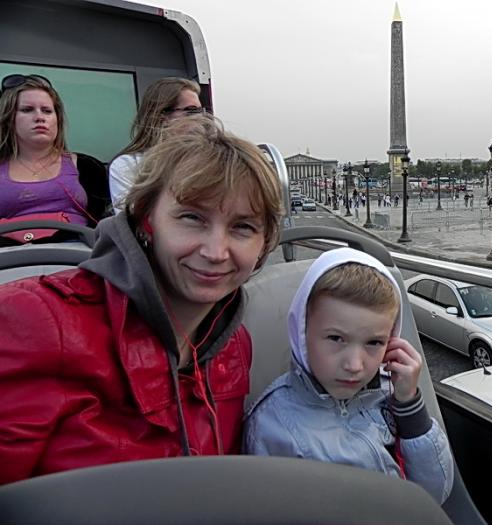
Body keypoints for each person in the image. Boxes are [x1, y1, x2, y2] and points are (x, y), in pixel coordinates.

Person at [0, 115, 283, 484]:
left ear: (264, 243)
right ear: (146, 220)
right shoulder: (36, 321)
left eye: (242, 227)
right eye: (192, 218)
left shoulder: (233, 345)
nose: (216, 252)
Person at [243, 248, 454, 504]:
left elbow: (435, 492)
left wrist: (409, 406)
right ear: (302, 333)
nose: (354, 365)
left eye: (374, 343)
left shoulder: (390, 393)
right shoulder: (274, 425)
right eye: (336, 338)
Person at [0, 73, 110, 230]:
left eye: (47, 111)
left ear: (58, 119)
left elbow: (107, 226)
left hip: (77, 244)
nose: (39, 117)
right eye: (27, 110)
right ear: (8, 119)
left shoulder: (88, 167)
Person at [109, 77, 204, 212]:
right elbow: (131, 217)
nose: (200, 119)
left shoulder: (207, 160)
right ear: (162, 115)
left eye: (200, 112)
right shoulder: (127, 165)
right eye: (191, 111)